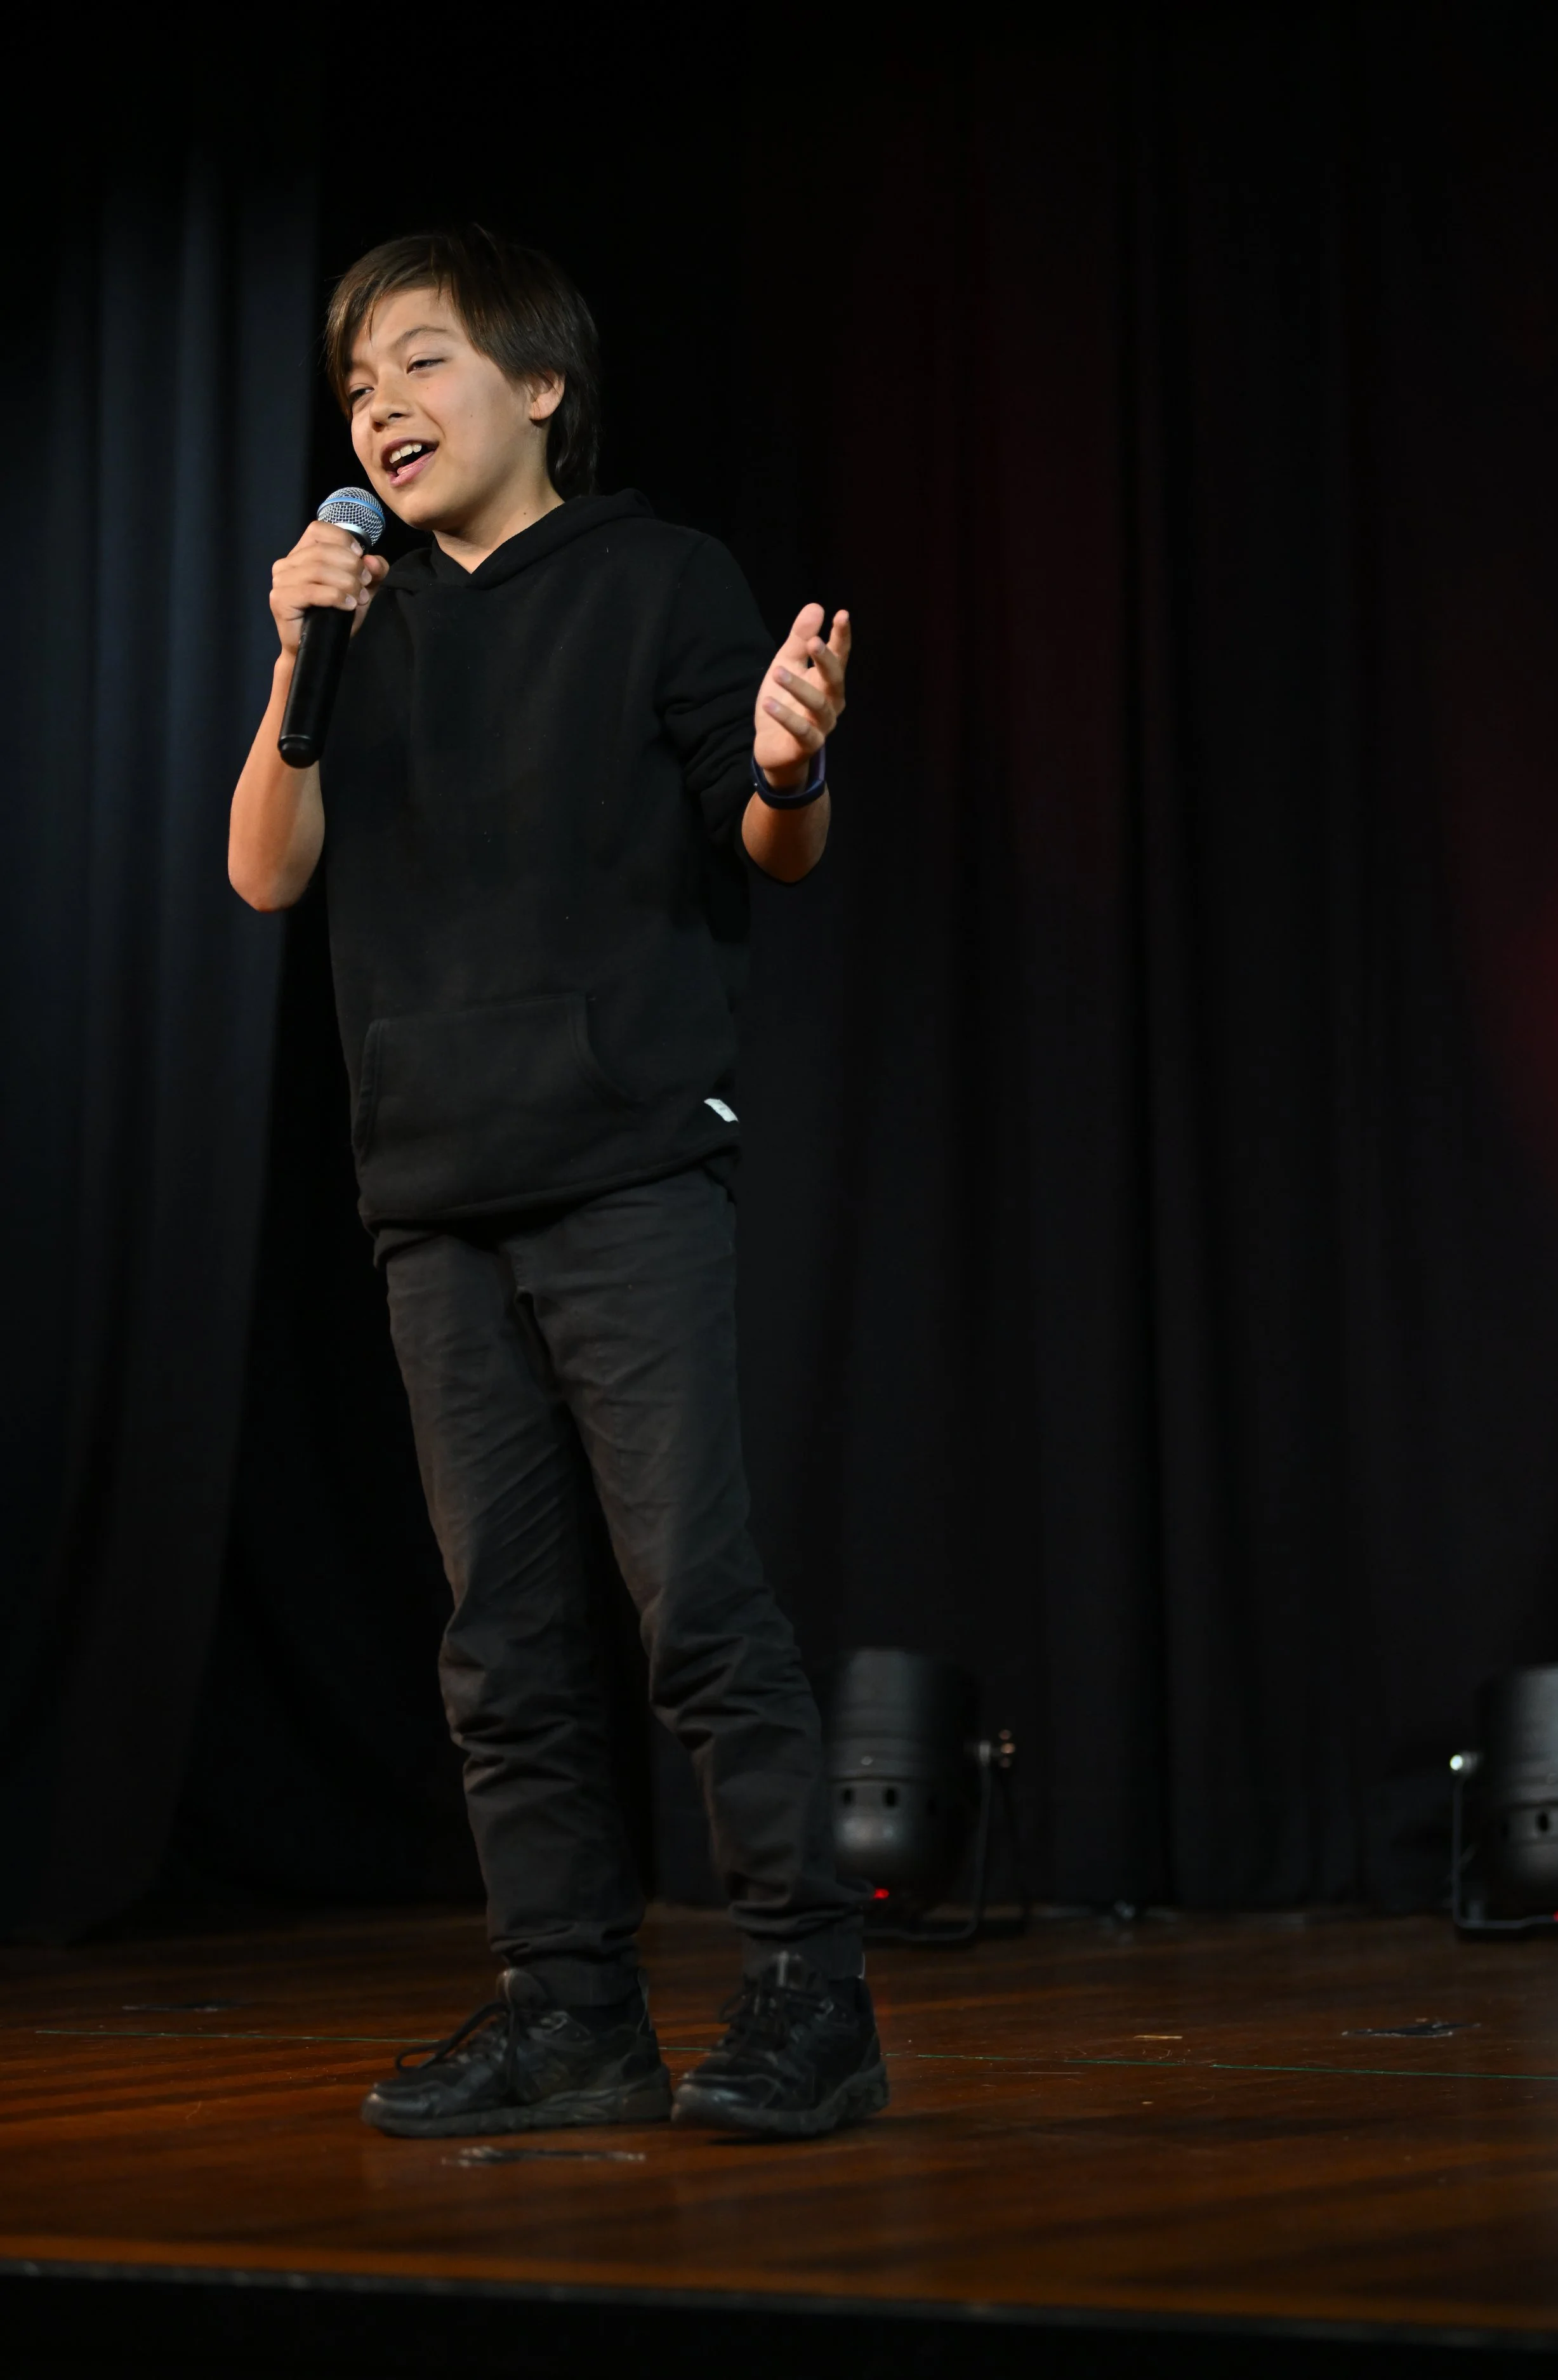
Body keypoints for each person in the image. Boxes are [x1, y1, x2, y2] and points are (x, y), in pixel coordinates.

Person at [227, 227, 883, 2141]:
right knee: (499, 1635)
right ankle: (571, 2008)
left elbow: (773, 842)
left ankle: (803, 1997)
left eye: (421, 365)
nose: (382, 408)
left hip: (621, 1165)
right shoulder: (359, 623)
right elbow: (268, 872)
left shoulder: (661, 581)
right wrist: (297, 655)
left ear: (537, 389)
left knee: (692, 1601)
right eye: (359, 388)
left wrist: (791, 761)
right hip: (428, 1186)